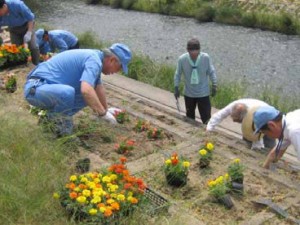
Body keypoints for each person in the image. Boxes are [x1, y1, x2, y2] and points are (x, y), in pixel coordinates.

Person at [23, 43, 131, 137]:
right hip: (36, 89)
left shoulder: (96, 58)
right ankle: (62, 131)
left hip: (47, 89)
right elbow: (86, 90)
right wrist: (103, 114)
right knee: (69, 93)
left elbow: (98, 88)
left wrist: (106, 111)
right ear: (112, 60)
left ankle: (50, 121)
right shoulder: (94, 61)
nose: (117, 72)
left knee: (88, 96)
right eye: (119, 68)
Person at [174, 38, 217, 124]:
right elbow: (177, 74)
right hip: (189, 94)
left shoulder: (205, 58)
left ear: (199, 50)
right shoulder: (182, 59)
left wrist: (214, 85)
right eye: (191, 52)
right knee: (189, 117)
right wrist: (176, 87)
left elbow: (211, 71)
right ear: (187, 50)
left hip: (203, 93)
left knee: (206, 118)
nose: (194, 54)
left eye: (196, 52)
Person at [206, 98, 276, 149]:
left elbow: (257, 134)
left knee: (268, 147)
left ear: (244, 117)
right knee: (246, 142)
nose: (234, 122)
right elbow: (218, 115)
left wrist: (257, 148)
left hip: (269, 120)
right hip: (255, 117)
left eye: (237, 120)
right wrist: (209, 129)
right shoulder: (233, 106)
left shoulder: (253, 116)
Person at [0, 0, 39, 65]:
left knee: (33, 47)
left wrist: (29, 32)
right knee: (16, 49)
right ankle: (22, 65)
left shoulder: (17, 5)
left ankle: (37, 64)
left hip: (27, 26)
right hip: (13, 29)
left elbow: (31, 18)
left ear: (4, 6)